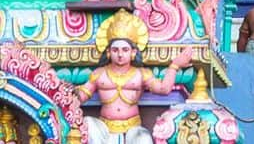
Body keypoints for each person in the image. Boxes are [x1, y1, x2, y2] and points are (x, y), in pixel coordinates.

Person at [78, 9, 194, 144]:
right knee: (88, 122)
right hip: (104, 129)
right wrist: (64, 92)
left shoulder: (141, 74)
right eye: (115, 50)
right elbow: (81, 96)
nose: (120, 55)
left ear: (133, 52)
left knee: (143, 138)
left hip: (133, 129)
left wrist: (174, 66)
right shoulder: (99, 74)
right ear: (108, 52)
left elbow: (164, 89)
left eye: (125, 50)